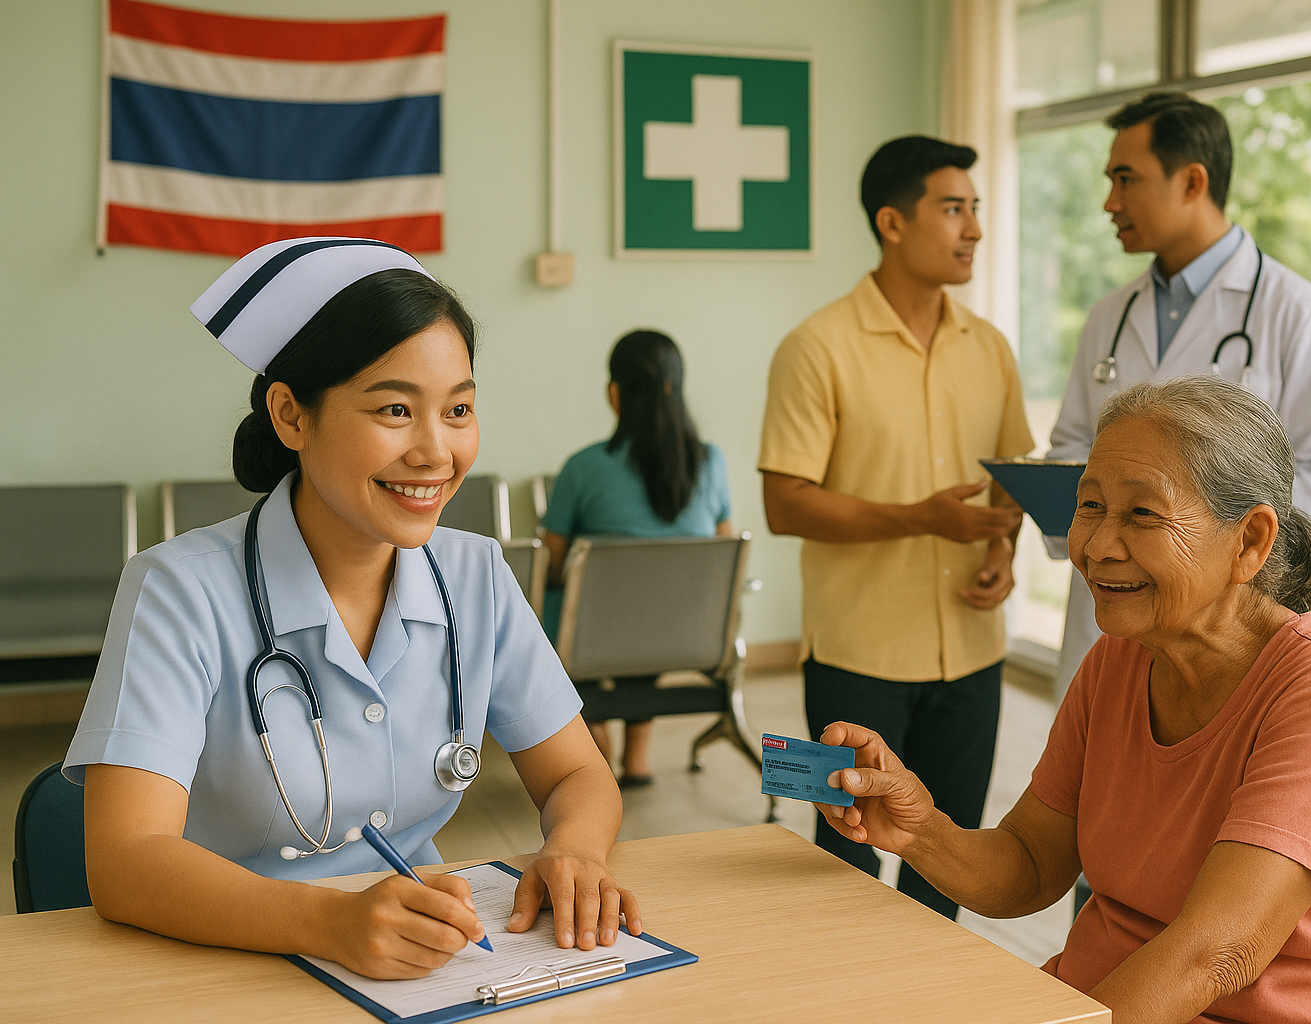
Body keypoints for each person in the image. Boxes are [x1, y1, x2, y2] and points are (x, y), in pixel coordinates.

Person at [63, 238, 640, 981]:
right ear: (291, 416)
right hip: (222, 962)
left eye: (458, 409)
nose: (437, 452)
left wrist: (574, 849)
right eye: (396, 409)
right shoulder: (177, 590)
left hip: (424, 963)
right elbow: (126, 862)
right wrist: (329, 922)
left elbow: (577, 777)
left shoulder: (477, 576)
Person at [814, 375, 1311, 1022]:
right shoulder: (1118, 662)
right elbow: (1029, 864)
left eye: (1141, 513)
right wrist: (919, 830)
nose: (1098, 546)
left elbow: (1213, 956)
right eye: (1089, 507)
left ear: (1249, 541)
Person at [759, 136, 1032, 919]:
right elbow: (786, 503)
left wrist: (1001, 550)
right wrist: (921, 520)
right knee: (837, 864)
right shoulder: (815, 347)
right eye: (953, 209)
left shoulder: (992, 349)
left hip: (973, 656)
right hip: (853, 659)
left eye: (975, 209)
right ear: (892, 222)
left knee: (946, 862)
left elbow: (1009, 486)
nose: (973, 228)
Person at [1048, 91, 1311, 700]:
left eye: (1126, 179)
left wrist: (1219, 555)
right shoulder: (1109, 317)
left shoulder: (1297, 314)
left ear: (1192, 180)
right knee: (1096, 777)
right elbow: (1072, 444)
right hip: (1111, 603)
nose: (1109, 202)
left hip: (1227, 621)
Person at [540, 329, 733, 786]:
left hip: (596, 637)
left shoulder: (583, 467)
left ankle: (593, 736)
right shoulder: (711, 461)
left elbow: (550, 563)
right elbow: (722, 553)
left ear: (615, 392)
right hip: (684, 633)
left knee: (570, 604)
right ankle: (638, 757)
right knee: (654, 611)